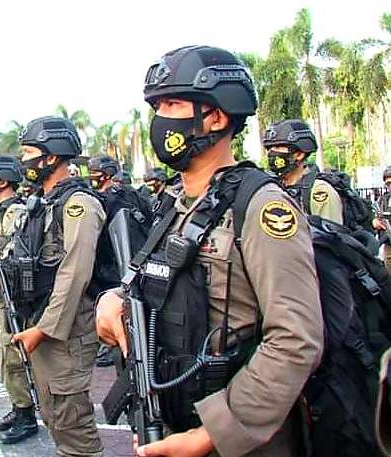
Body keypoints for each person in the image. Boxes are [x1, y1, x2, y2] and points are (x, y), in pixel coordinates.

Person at [96, 45, 323, 457]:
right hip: (173, 419)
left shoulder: (261, 207)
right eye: (157, 107)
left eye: (173, 104)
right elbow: (158, 288)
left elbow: (295, 339)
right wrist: (112, 299)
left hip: (238, 440)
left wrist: (210, 435)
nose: (160, 120)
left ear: (215, 117)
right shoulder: (173, 205)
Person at [6, 116, 105, 456]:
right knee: (53, 413)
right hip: (41, 319)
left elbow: (75, 273)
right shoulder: (42, 202)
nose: (23, 161)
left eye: (28, 153)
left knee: (71, 420)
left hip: (66, 330)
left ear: (50, 157)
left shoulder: (78, 204)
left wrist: (44, 329)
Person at [0, 154, 39, 443]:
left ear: (2, 181)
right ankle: (17, 406)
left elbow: (16, 249)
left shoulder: (15, 212)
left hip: (10, 294)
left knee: (12, 355)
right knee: (3, 354)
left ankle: (26, 415)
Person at [263, 119, 343, 224]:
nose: (271, 152)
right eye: (269, 148)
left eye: (278, 146)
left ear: (299, 154)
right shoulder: (275, 187)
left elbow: (332, 232)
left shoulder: (319, 191)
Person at [375, 167, 391, 272]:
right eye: (388, 184)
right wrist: (375, 222)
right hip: (388, 244)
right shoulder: (384, 200)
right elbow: (376, 217)